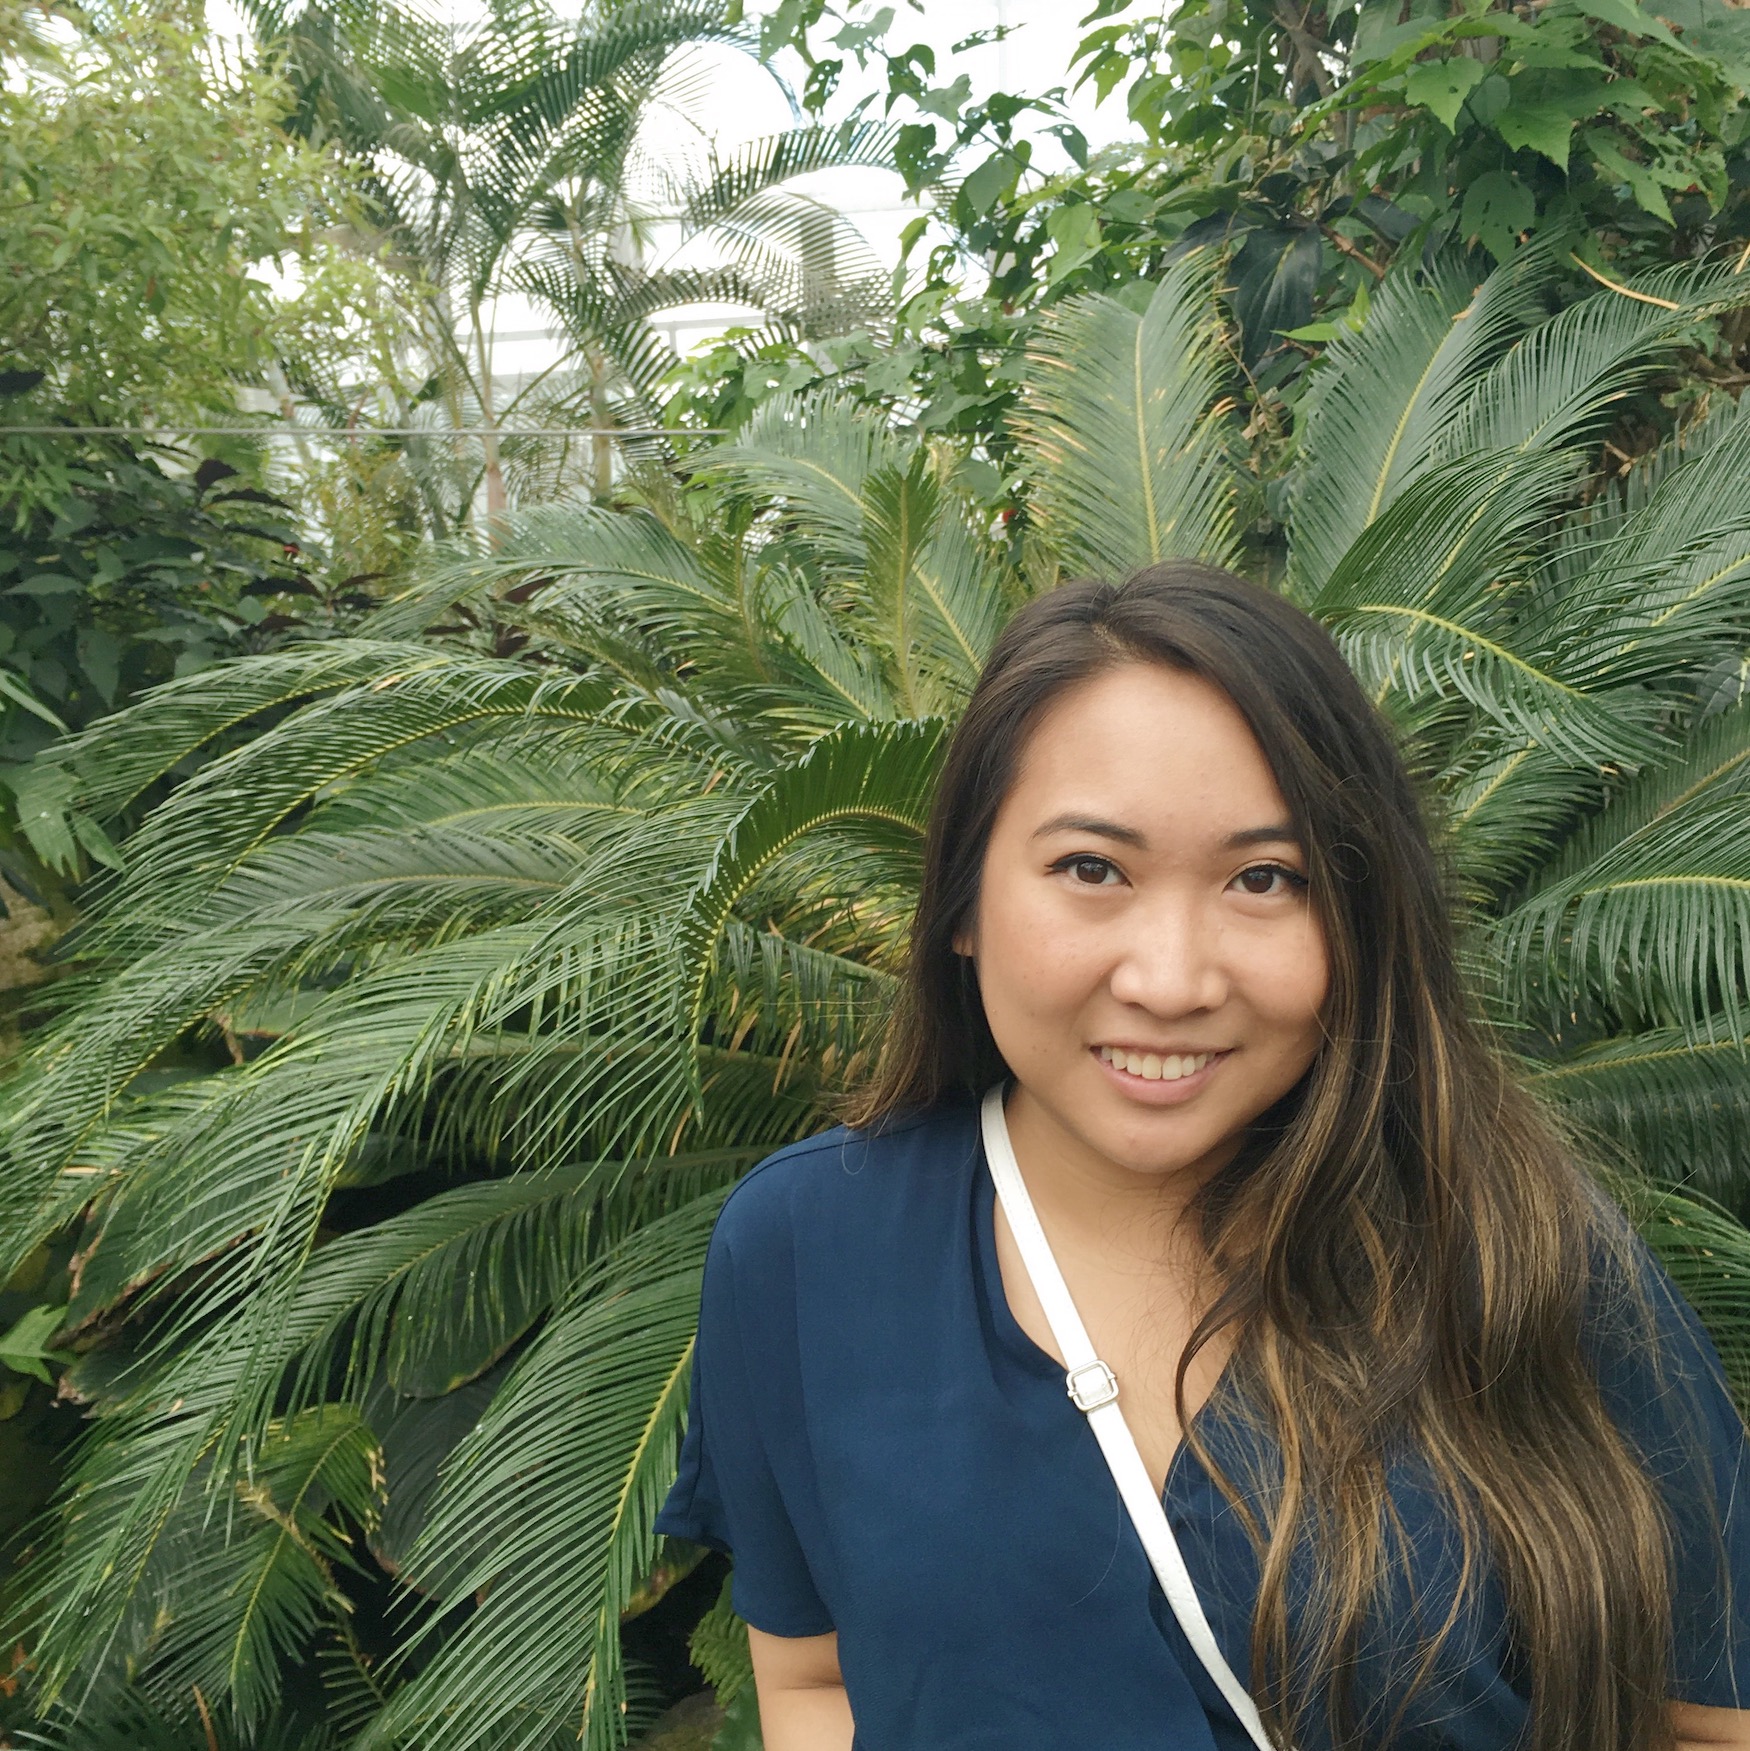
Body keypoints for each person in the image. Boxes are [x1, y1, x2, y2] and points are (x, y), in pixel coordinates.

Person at [653, 562, 1750, 1751]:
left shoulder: (1515, 1242)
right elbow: (814, 1676)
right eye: (1091, 868)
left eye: (1263, 878)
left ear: (1359, 914)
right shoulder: (807, 1252)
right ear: (960, 898)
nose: (1170, 980)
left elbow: (1702, 1718)